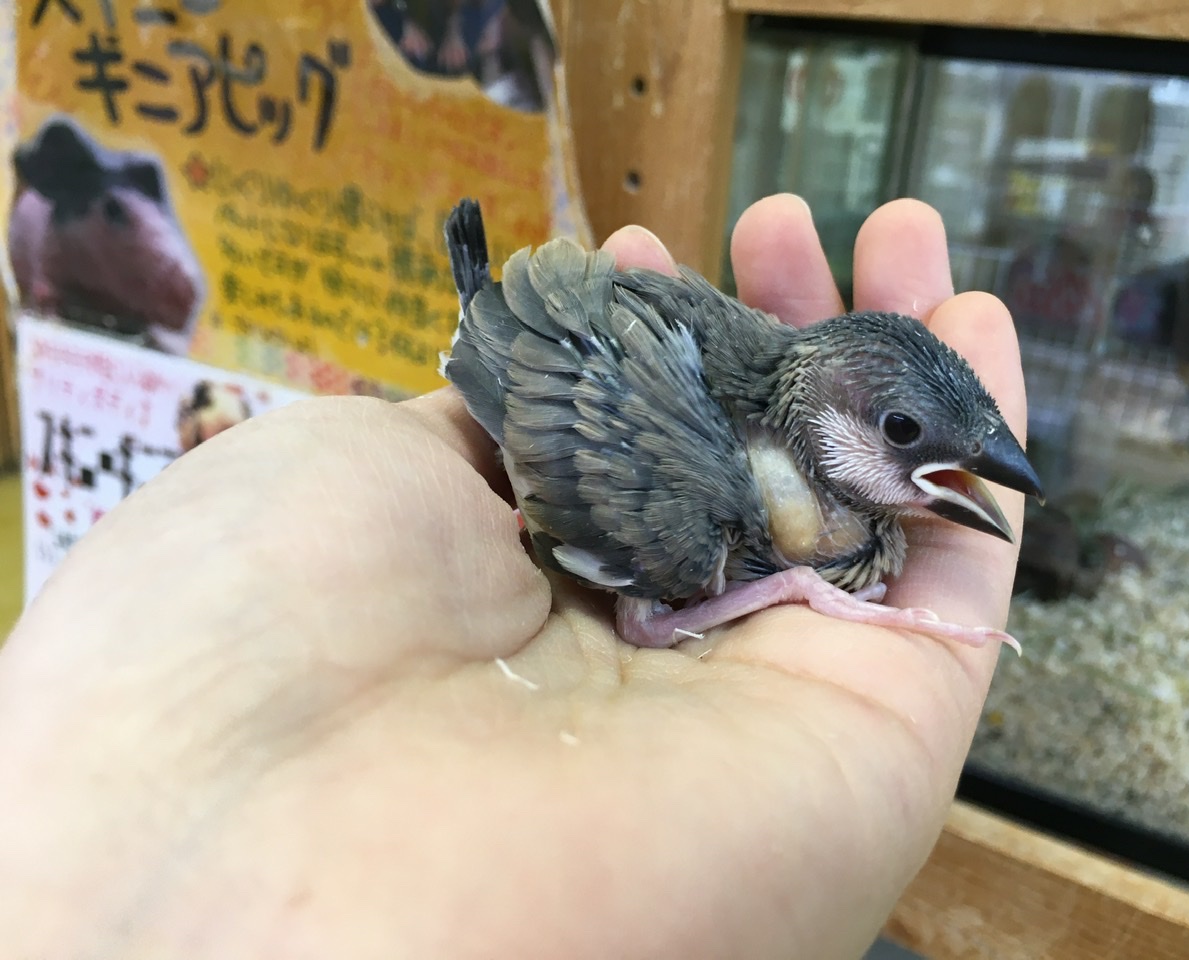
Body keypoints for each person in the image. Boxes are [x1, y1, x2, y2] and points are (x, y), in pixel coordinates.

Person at [0, 194, 1028, 958]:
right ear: (827, 415)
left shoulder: (797, 440)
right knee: (682, 560)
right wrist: (794, 584)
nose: (937, 474)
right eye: (902, 435)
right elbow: (643, 618)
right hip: (555, 356)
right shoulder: (692, 516)